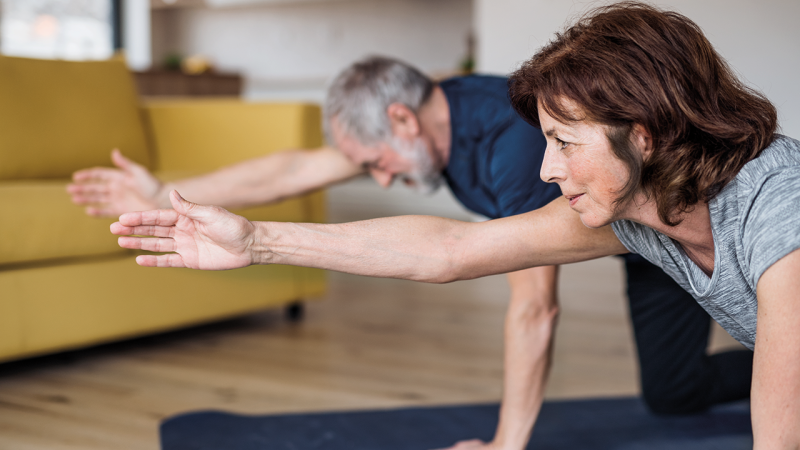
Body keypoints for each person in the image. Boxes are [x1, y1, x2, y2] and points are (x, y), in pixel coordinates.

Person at [80, 42, 758, 447]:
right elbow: (293, 169)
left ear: (402, 118)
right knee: (676, 394)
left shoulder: (516, 151)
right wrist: (164, 190)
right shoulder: (431, 108)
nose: (381, 176)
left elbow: (534, 308)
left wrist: (507, 442)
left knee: (690, 377)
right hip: (629, 237)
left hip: (672, 219)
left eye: (376, 162)